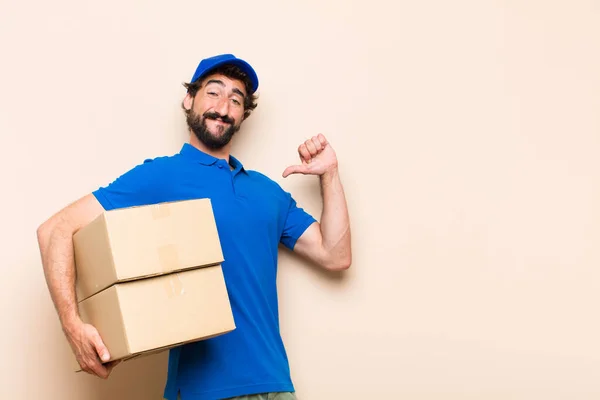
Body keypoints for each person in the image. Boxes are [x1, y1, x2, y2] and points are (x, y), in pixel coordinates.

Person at [36, 53, 352, 400]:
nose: (224, 106)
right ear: (189, 99)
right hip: (202, 391)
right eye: (213, 92)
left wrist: (330, 174)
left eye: (236, 99)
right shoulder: (161, 176)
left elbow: (334, 255)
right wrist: (73, 326)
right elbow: (56, 230)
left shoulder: (266, 192)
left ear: (242, 115)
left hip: (276, 386)